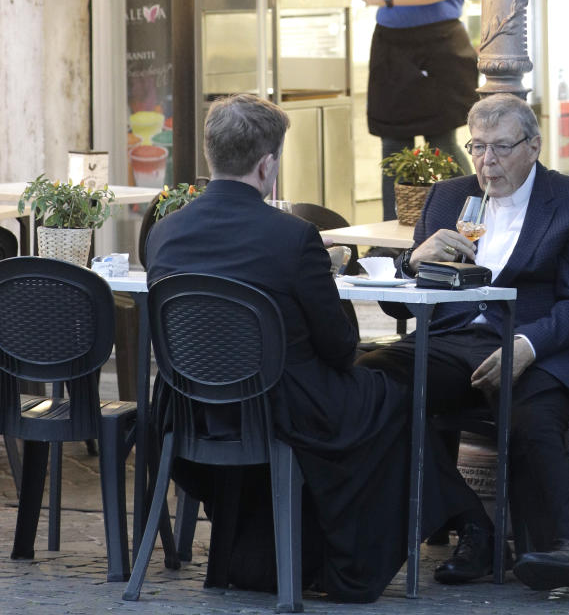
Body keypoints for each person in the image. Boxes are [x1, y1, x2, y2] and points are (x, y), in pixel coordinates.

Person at [144, 93, 492, 603]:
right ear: (268, 165)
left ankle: (288, 554)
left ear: (210, 155)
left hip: (191, 409)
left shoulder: (164, 233)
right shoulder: (293, 237)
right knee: (392, 396)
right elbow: (338, 345)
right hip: (288, 406)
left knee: (373, 391)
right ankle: (350, 566)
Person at [357, 93, 569, 597]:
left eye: (499, 148)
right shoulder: (449, 198)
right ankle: (475, 526)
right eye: (476, 147)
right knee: (370, 382)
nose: (486, 162)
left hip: (539, 343)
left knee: (534, 413)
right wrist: (415, 263)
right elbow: (405, 308)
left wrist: (527, 345)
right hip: (456, 340)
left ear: (534, 146)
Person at [357, 0, 476, 220]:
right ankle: (391, 241)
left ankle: (474, 224)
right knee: (393, 148)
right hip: (390, 42)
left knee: (441, 145)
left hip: (438, 43)